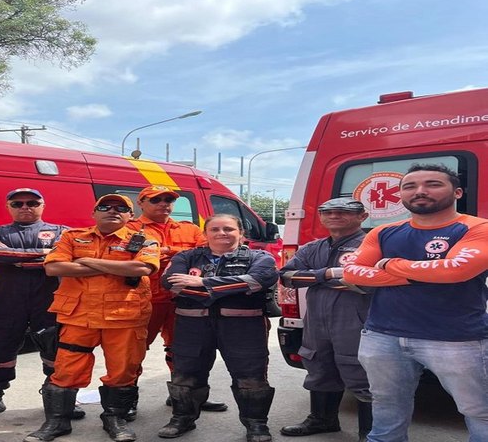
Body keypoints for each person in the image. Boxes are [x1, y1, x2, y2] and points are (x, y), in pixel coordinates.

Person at [344, 163, 488, 442]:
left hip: (457, 338)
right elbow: (352, 272)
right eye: (410, 186)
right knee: (386, 404)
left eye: (433, 184)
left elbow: (457, 270)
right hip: (382, 335)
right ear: (401, 195)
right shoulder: (383, 232)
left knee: (479, 409)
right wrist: (424, 274)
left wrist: (390, 265)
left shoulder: (477, 227)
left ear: (457, 192)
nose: (420, 191)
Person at [23, 194, 160, 442]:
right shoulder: (71, 236)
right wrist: (116, 266)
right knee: (66, 372)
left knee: (123, 372)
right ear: (94, 213)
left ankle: (115, 420)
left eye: (122, 208)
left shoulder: (145, 241)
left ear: (131, 216)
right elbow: (54, 267)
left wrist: (85, 261)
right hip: (78, 316)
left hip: (125, 318)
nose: (113, 210)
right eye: (105, 206)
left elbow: (141, 269)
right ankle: (57, 422)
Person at [158, 214, 278, 442]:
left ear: (241, 233)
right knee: (186, 374)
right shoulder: (187, 256)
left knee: (251, 377)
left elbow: (259, 280)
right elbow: (170, 282)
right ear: (205, 234)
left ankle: (256, 425)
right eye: (215, 229)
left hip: (244, 328)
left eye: (228, 229)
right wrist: (234, 287)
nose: (221, 233)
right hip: (191, 326)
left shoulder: (260, 257)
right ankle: (182, 418)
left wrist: (202, 283)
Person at [0, 188, 84, 421]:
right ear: (8, 207)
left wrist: (19, 258)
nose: (25, 207)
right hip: (6, 301)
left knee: (56, 350)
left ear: (42, 205)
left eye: (32, 202)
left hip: (50, 301)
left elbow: (65, 256)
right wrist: (44, 256)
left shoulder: (63, 232)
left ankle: (57, 398)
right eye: (17, 203)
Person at [126, 185, 227, 417]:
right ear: (141, 203)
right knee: (133, 351)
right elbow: (127, 257)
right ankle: (127, 399)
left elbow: (206, 253)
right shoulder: (129, 228)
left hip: (183, 299)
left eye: (169, 200)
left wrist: (162, 251)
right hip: (143, 298)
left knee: (184, 350)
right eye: (156, 199)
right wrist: (180, 253)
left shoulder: (189, 229)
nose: (163, 204)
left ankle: (184, 395)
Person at [278, 197, 373, 441]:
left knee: (361, 372)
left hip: (356, 320)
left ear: (362, 216)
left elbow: (370, 280)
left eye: (343, 212)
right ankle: (323, 420)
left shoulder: (372, 245)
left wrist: (314, 277)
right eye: (327, 212)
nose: (334, 216)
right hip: (317, 320)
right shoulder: (313, 247)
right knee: (318, 366)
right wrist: (329, 274)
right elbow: (288, 277)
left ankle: (370, 431)